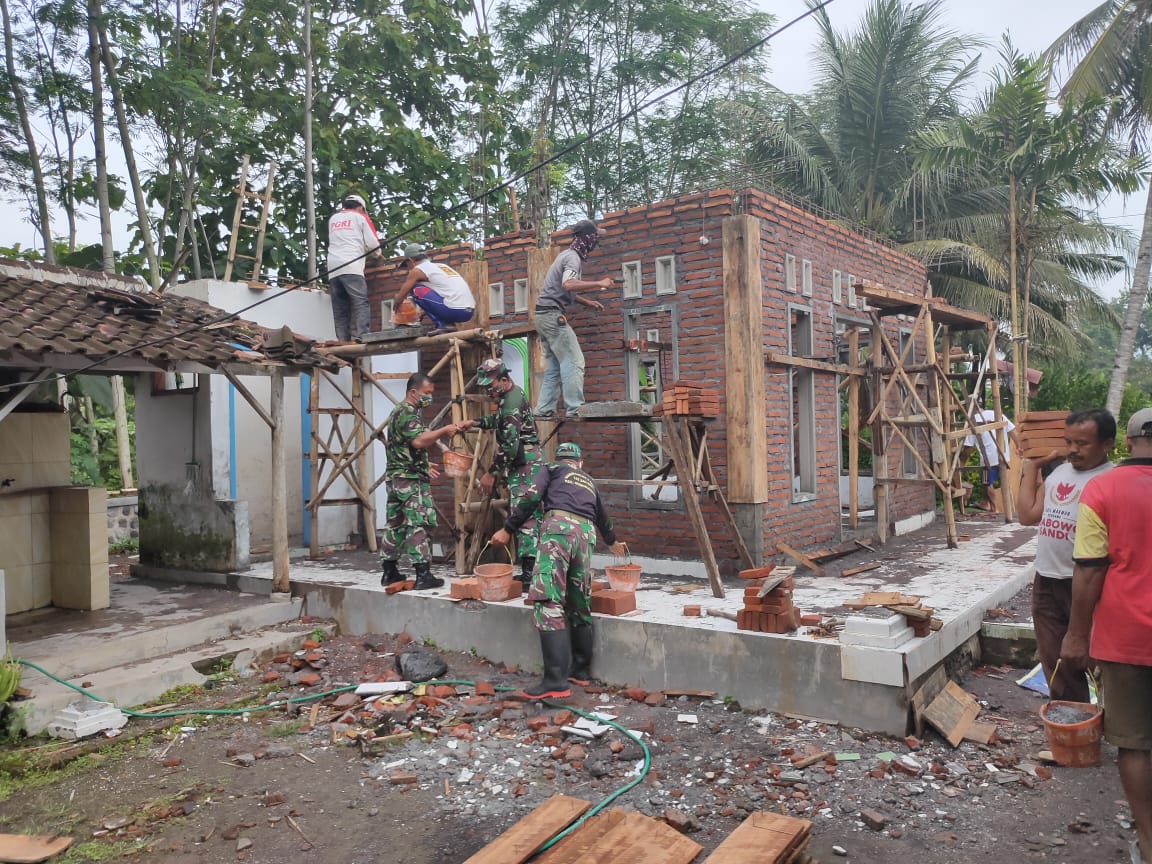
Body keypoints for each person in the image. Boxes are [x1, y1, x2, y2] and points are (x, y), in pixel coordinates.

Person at [1063, 407, 1152, 864]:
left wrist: (1077, 636)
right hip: (1127, 638)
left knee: (1135, 745)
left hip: (1127, 636)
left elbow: (1089, 572)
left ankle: (1148, 840)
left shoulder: (1104, 488)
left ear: (1127, 441)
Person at [491, 442, 626, 699]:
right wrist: (612, 541)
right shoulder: (588, 480)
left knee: (547, 598)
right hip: (586, 536)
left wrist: (508, 528)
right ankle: (580, 670)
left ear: (559, 459)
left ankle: (555, 680)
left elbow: (531, 496)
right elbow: (603, 516)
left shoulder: (550, 468)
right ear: (579, 463)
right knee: (578, 600)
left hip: (559, 530)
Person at [1017, 409, 1114, 703]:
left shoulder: (1111, 480)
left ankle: (1117, 727)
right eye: (1068, 441)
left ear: (1107, 443)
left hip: (1086, 586)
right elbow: (1027, 515)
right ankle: (1073, 727)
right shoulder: (1060, 472)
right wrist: (1032, 467)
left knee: (1096, 661)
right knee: (1054, 661)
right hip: (1046, 580)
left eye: (1082, 444)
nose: (1073, 450)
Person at [379, 372, 471, 591]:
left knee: (395, 524)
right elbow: (419, 441)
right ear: (413, 392)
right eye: (427, 393)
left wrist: (423, 465)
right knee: (419, 523)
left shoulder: (397, 412)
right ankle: (423, 574)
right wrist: (444, 430)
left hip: (397, 476)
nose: (429, 397)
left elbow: (402, 447)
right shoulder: (408, 412)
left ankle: (389, 572)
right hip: (410, 481)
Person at [533, 220, 613, 418]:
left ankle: (544, 408)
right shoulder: (573, 258)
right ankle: (575, 408)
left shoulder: (565, 255)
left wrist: (587, 302)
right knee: (574, 360)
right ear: (588, 238)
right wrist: (599, 283)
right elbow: (568, 284)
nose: (596, 242)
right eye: (595, 237)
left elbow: (562, 289)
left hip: (542, 316)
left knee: (553, 366)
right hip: (552, 316)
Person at [474, 358, 542, 587]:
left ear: (504, 379)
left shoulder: (511, 403)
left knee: (525, 516)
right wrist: (475, 423)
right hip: (523, 462)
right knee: (523, 513)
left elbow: (511, 446)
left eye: (491, 386)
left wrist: (491, 473)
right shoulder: (508, 397)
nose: (489, 390)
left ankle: (529, 572)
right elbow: (500, 421)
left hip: (524, 463)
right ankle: (528, 569)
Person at [326, 194, 381, 341]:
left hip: (333, 268)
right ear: (361, 207)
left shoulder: (333, 219)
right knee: (360, 302)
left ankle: (342, 340)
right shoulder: (360, 217)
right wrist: (378, 255)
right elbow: (373, 245)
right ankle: (363, 334)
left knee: (340, 310)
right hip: (351, 266)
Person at [394, 244, 475, 334]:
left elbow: (401, 296)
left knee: (415, 289)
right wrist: (424, 312)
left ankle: (444, 325)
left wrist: (396, 310)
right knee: (421, 289)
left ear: (411, 260)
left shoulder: (417, 270)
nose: (408, 268)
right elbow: (444, 294)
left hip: (453, 310)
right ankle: (449, 325)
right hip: (468, 312)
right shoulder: (442, 266)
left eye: (407, 265)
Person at [961, 405, 1017, 513]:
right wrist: (1019, 446)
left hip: (989, 459)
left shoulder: (972, 421)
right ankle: (986, 503)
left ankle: (994, 508)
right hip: (1003, 456)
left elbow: (968, 448)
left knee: (987, 483)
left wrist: (962, 461)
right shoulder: (995, 413)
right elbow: (1013, 430)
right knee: (1000, 481)